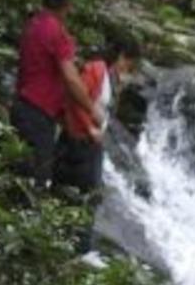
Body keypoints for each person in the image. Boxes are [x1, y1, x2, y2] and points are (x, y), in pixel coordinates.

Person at [10, 0, 105, 189]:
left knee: (20, 174)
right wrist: (92, 110)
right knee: (36, 180)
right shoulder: (57, 33)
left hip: (21, 107)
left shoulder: (34, 24)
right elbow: (71, 79)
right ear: (67, 5)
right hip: (38, 114)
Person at [56, 39, 141, 267]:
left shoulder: (110, 75)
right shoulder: (97, 69)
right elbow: (76, 100)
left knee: (88, 193)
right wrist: (89, 128)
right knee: (87, 193)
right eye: (129, 63)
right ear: (121, 55)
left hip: (88, 142)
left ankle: (77, 246)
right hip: (80, 140)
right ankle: (78, 249)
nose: (128, 69)